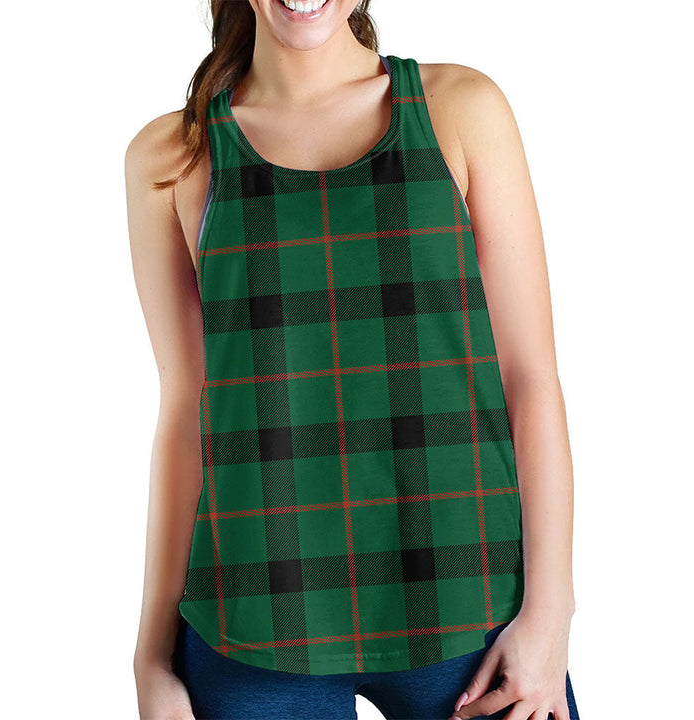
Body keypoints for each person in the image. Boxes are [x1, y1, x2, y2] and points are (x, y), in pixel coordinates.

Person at [125, 1, 579, 719]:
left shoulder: (461, 109)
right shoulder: (172, 157)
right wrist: (150, 657)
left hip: (466, 598)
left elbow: (531, 379)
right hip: (256, 614)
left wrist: (550, 615)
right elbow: (188, 409)